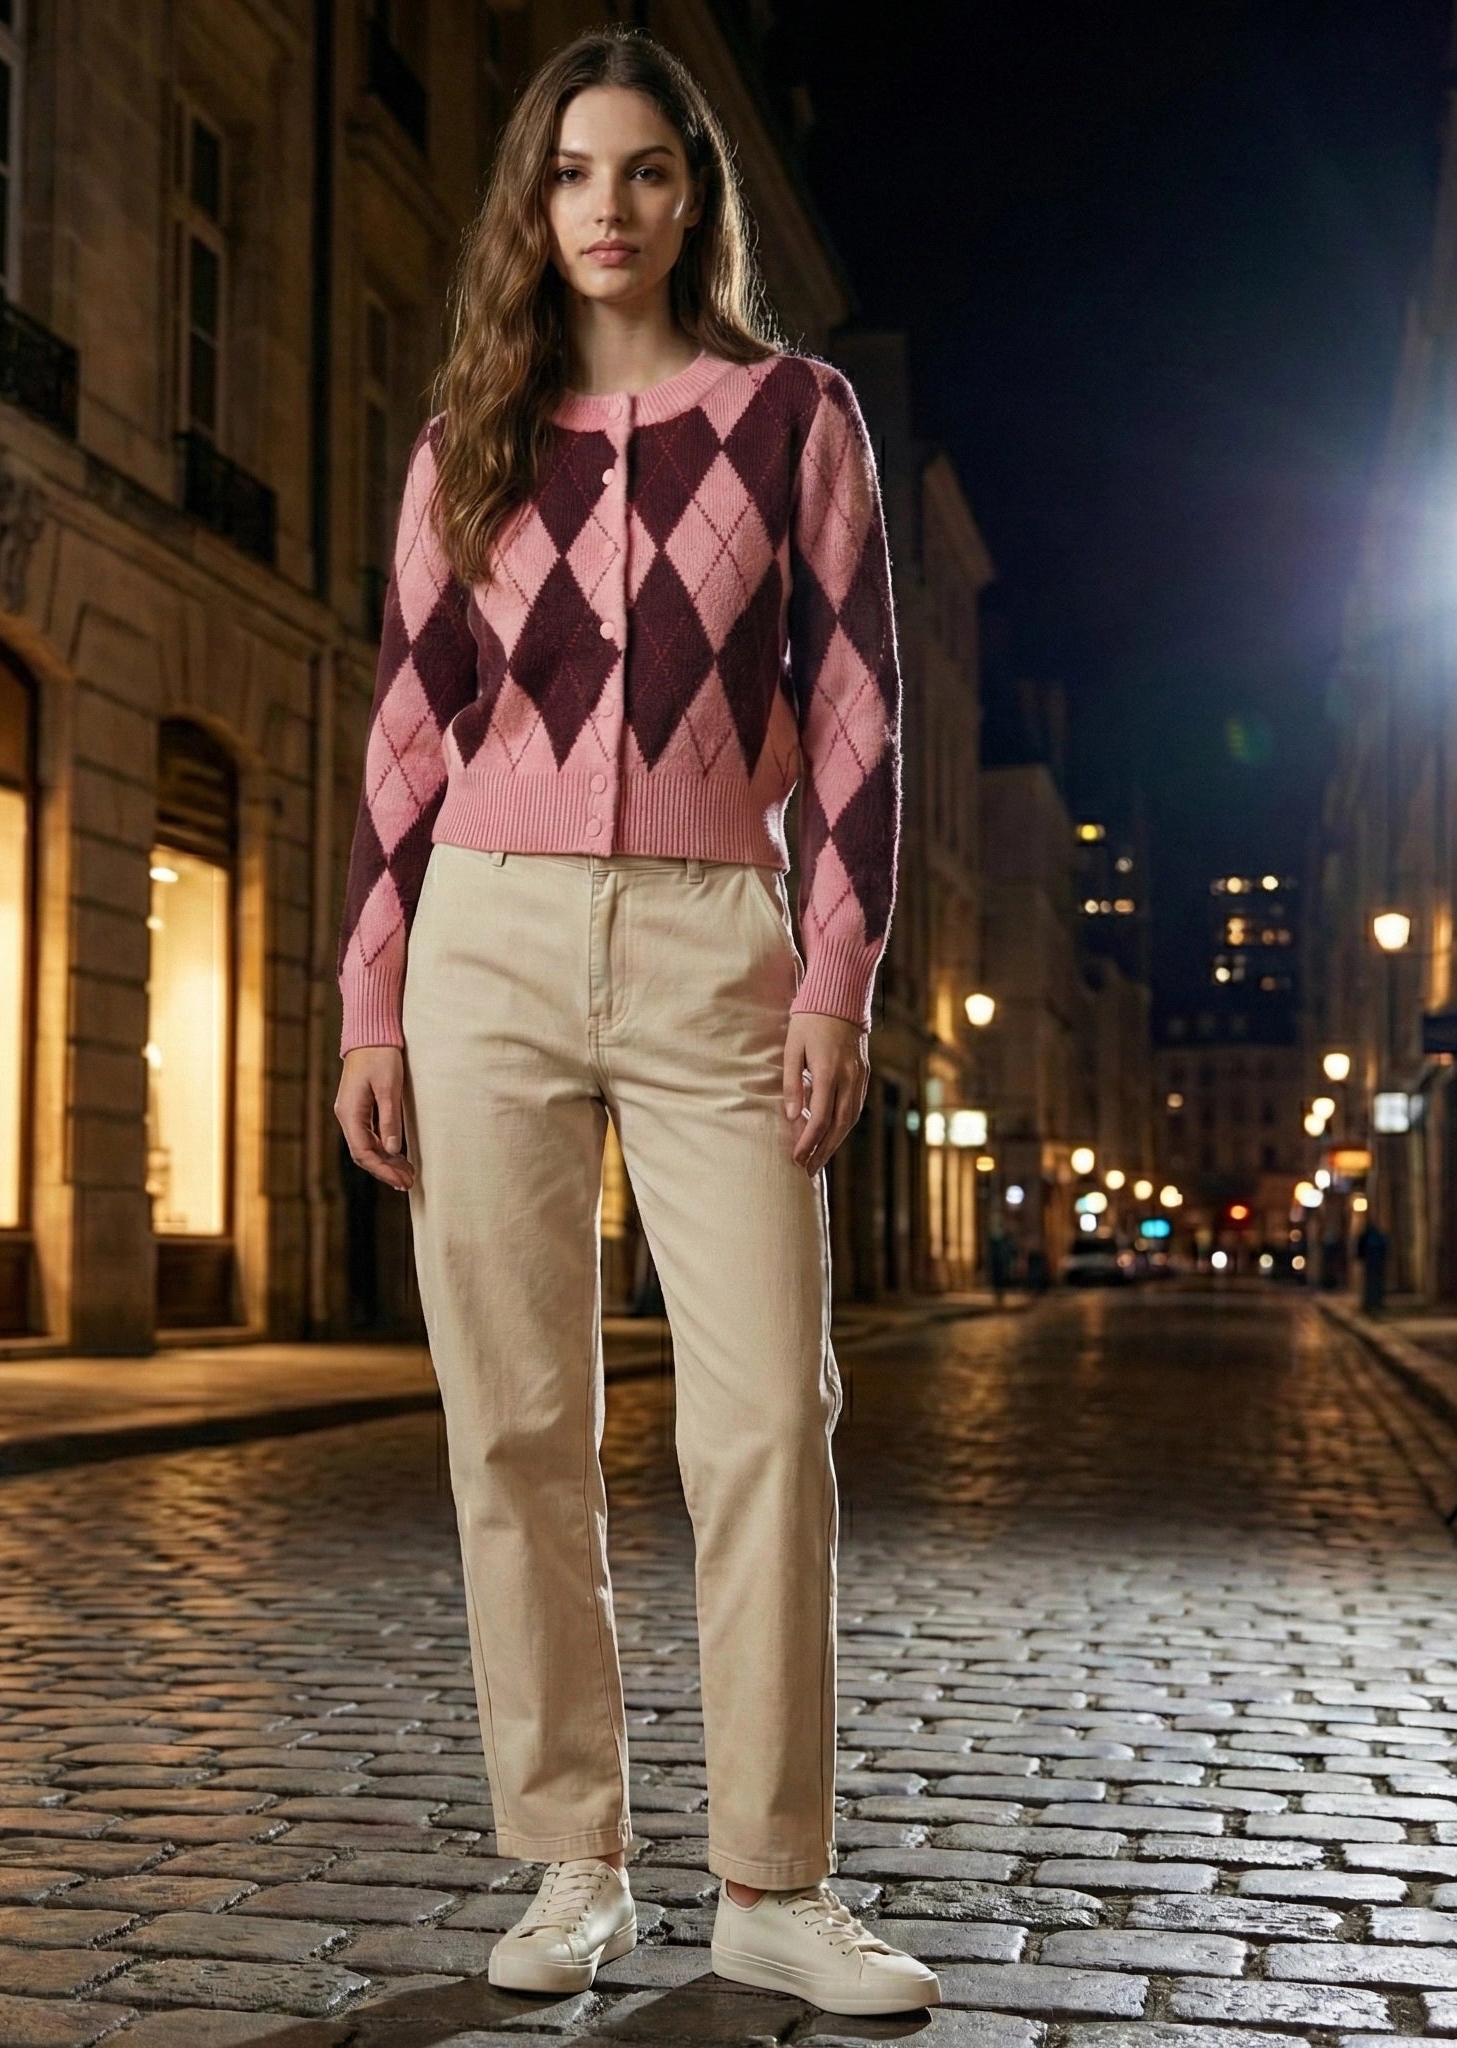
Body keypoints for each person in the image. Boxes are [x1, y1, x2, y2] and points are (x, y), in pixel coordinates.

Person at [332, 26, 938, 2021]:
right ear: (537, 200)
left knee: (769, 1413)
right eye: (574, 174)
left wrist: (837, 972)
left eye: (646, 175)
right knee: (517, 1425)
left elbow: (851, 710)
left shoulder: (794, 418)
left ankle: (771, 1880)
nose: (607, 209)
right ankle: (572, 1859)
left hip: (711, 945)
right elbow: (410, 738)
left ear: (696, 203)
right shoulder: (465, 445)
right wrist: (371, 999)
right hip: (484, 945)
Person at [1357, 1217, 1390, 1315]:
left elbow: (1360, 1250)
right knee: (1377, 1284)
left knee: (1371, 1284)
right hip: (1377, 1264)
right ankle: (1376, 1303)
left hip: (1371, 1265)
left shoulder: (1367, 1236)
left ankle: (1371, 1303)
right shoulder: (1379, 1237)